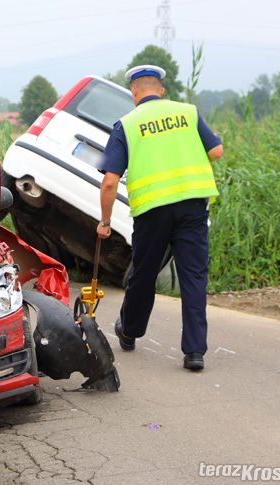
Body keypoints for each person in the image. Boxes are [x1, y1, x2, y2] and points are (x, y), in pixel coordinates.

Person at [97, 65, 224, 371]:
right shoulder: (188, 113)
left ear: (134, 93)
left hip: (153, 211)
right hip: (193, 206)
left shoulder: (127, 124)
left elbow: (110, 180)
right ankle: (195, 353)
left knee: (144, 272)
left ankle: (129, 332)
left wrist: (104, 221)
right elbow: (217, 150)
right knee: (193, 276)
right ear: (162, 90)